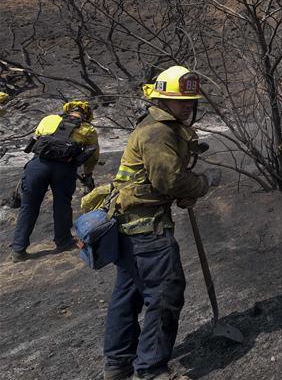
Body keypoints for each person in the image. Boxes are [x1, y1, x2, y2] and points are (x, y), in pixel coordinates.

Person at [102, 66, 209, 380]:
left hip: (127, 224)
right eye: (180, 101)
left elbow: (160, 180)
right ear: (161, 99)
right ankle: (151, 369)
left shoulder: (154, 125)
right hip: (147, 228)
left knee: (129, 292)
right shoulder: (159, 132)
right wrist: (201, 184)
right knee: (165, 293)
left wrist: (180, 192)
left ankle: (118, 364)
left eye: (190, 101)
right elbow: (169, 181)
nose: (186, 106)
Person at [9, 100, 99, 261]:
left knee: (28, 206)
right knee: (62, 205)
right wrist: (88, 175)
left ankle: (18, 249)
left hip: (38, 165)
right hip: (64, 169)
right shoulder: (89, 129)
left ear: (68, 110)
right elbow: (93, 156)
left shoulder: (48, 119)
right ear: (86, 115)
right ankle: (63, 241)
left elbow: (35, 138)